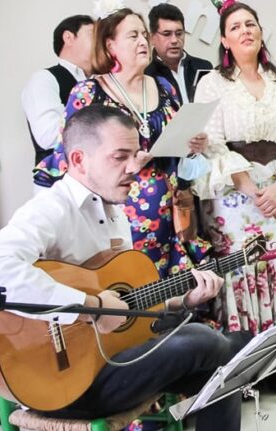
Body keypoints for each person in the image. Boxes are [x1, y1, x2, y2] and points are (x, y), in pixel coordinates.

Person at [0, 106, 249, 431]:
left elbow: (125, 309)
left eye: (135, 155)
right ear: (78, 160)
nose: (134, 167)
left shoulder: (114, 210)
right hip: (61, 382)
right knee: (206, 340)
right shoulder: (51, 210)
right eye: (119, 157)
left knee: (225, 365)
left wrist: (184, 301)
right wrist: (89, 308)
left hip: (109, 359)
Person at [192, 1, 276, 393]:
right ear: (224, 39)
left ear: (260, 33)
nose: (245, 30)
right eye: (236, 26)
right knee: (242, 269)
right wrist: (251, 188)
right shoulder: (212, 82)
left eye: (251, 24)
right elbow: (212, 144)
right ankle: (242, 368)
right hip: (234, 192)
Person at [33, 7, 211, 279]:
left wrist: (191, 145)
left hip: (168, 216)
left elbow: (177, 145)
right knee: (131, 293)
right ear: (110, 44)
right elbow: (70, 155)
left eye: (143, 34)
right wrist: (126, 160)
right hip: (116, 220)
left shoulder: (163, 86)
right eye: (132, 36)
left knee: (174, 299)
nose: (143, 41)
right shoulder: (89, 92)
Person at [22, 15, 94, 167]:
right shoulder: (44, 79)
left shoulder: (106, 81)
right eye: (93, 35)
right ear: (68, 37)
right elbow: (49, 136)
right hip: (60, 183)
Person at [146, 3, 213, 104]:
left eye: (179, 33)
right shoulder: (147, 76)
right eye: (167, 34)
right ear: (152, 39)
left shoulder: (204, 68)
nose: (174, 40)